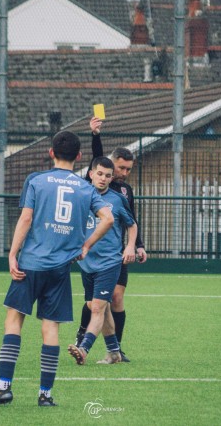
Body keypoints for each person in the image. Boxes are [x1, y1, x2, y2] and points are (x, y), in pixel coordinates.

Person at [0, 131, 114, 407]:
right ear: (79, 157)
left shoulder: (36, 180)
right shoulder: (85, 187)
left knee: (14, 321)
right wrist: (85, 246)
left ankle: (4, 388)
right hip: (60, 269)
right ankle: (45, 394)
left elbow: (26, 218)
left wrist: (12, 254)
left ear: (51, 153)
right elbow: (108, 218)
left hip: (29, 264)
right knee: (50, 328)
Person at [75, 117, 147, 362]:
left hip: (113, 256)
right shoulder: (91, 185)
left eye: (128, 169)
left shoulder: (123, 193)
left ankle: (93, 347)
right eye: (121, 168)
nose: (123, 174)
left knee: (110, 300)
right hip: (89, 259)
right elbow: (98, 160)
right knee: (96, 304)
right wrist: (95, 135)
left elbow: (132, 220)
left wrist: (136, 245)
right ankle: (111, 348)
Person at [68, 156, 137, 365]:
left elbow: (132, 224)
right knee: (100, 307)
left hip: (109, 262)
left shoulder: (117, 199)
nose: (104, 179)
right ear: (91, 174)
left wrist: (131, 246)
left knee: (98, 307)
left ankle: (83, 349)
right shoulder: (80, 196)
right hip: (87, 263)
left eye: (108, 175)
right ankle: (114, 352)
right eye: (99, 174)